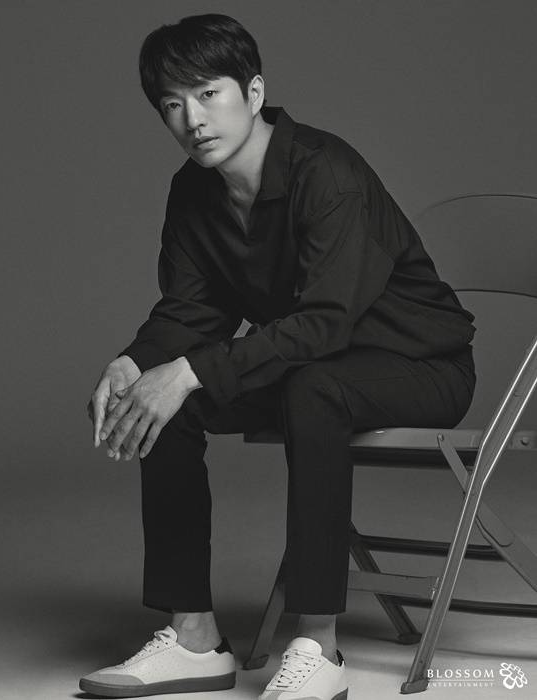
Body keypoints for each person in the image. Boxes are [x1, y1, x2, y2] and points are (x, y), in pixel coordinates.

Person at [82, 12, 476, 700]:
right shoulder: (193, 190)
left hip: (422, 368)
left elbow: (324, 323)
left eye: (208, 94)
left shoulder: (328, 172)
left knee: (307, 388)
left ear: (255, 92)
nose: (192, 119)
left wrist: (191, 369)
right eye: (172, 105)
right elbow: (191, 309)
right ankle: (194, 639)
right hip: (310, 366)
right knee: (165, 401)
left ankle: (318, 648)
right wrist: (133, 364)